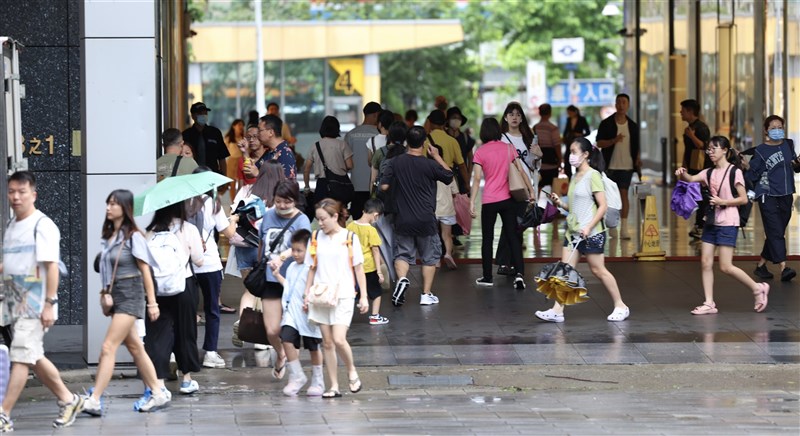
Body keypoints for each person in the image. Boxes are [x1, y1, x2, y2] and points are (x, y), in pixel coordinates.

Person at [0, 171, 85, 430]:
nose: (16, 197)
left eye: (21, 192)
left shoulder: (43, 225)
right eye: (12, 191)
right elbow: (12, 262)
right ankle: (69, 400)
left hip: (35, 303)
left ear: (33, 194)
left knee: (22, 356)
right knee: (32, 356)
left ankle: (3, 414)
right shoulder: (12, 225)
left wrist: (50, 303)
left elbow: (52, 267)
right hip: (13, 300)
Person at [80, 189, 170, 416]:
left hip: (131, 293)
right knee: (136, 348)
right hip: (117, 294)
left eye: (113, 204)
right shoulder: (111, 236)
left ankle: (95, 399)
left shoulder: (134, 236)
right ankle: (158, 393)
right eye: (107, 203)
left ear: (125, 208)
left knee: (108, 346)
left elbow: (145, 271)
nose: (108, 208)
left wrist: (152, 303)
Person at [535, 138, 630, 323]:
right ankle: (557, 310)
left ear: (586, 154)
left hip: (592, 233)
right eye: (570, 152)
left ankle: (621, 305)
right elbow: (575, 206)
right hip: (573, 233)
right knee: (564, 270)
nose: (571, 156)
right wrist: (560, 203)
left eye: (574, 152)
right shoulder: (575, 176)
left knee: (598, 270)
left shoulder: (593, 175)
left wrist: (588, 226)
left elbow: (602, 206)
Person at [675, 136, 770, 314]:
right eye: (709, 149)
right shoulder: (708, 172)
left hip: (728, 221)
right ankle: (709, 303)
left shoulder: (735, 172)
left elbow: (743, 199)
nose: (710, 152)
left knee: (726, 266)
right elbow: (692, 178)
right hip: (711, 221)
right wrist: (682, 173)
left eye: (714, 149)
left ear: (725, 150)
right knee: (705, 262)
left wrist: (723, 201)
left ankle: (758, 288)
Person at [231, 180, 311, 378]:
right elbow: (262, 244)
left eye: (287, 202)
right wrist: (261, 265)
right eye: (278, 201)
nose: (282, 206)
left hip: (294, 280)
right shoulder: (268, 216)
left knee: (292, 328)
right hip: (269, 279)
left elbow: (306, 251)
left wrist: (283, 257)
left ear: (295, 201)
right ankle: (281, 353)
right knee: (271, 329)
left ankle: (294, 373)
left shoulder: (302, 221)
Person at [380, 126, 454, 306]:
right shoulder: (430, 164)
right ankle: (426, 294)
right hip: (426, 219)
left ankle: (403, 280)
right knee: (429, 256)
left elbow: (383, 187)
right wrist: (436, 156)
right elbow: (449, 176)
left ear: (406, 142)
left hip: (402, 218)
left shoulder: (395, 162)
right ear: (424, 143)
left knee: (402, 254)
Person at [304, 199, 369, 398]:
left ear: (335, 216)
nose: (320, 223)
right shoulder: (315, 237)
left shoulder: (349, 237)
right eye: (318, 220)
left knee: (339, 339)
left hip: (344, 295)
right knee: (327, 343)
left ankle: (351, 370)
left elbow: (359, 268)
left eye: (323, 219)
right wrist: (306, 295)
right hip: (321, 295)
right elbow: (311, 268)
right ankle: (333, 386)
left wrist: (364, 297)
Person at [144, 202, 205, 395]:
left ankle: (159, 383)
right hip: (183, 285)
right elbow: (199, 260)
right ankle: (186, 380)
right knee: (185, 332)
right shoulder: (189, 229)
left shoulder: (149, 233)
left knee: (157, 335)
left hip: (156, 289)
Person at [470, 118, 535, 290]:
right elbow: (521, 171)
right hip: (507, 200)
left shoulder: (480, 151)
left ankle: (487, 277)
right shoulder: (508, 148)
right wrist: (531, 191)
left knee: (487, 239)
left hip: (489, 201)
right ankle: (520, 274)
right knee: (513, 237)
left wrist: (471, 202)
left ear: (483, 132)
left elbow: (477, 179)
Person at [185, 168, 238, 368]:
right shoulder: (212, 204)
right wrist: (233, 219)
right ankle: (210, 353)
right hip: (209, 264)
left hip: (187, 264)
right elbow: (229, 233)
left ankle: (184, 352)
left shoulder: (182, 203)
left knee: (186, 310)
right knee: (212, 309)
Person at [230, 160, 286, 349]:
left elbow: (233, 214)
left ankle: (241, 322)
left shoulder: (246, 191)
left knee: (250, 289)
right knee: (265, 291)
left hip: (243, 246)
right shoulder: (279, 197)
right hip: (264, 248)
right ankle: (261, 339)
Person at [270, 229, 324, 396]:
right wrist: (277, 275)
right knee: (286, 339)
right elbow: (290, 286)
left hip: (309, 314)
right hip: (292, 312)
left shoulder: (312, 267)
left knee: (313, 348)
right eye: (293, 250)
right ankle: (297, 375)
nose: (295, 254)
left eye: (299, 250)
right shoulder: (292, 266)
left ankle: (318, 379)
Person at [746, 115, 799, 282]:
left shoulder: (788, 145)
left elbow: (795, 168)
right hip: (767, 194)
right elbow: (752, 173)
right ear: (766, 130)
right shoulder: (760, 151)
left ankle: (761, 265)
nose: (777, 130)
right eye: (773, 128)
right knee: (775, 231)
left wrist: (798, 161)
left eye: (780, 127)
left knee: (776, 230)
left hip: (786, 193)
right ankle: (784, 267)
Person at [497, 102, 542, 277]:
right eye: (511, 114)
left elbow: (533, 165)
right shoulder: (501, 138)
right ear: (506, 117)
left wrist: (538, 155)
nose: (514, 117)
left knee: (518, 224)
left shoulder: (527, 138)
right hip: (507, 186)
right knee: (512, 223)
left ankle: (510, 262)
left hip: (524, 186)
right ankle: (507, 262)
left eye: (517, 114)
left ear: (521, 118)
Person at [427, 110, 469, 270]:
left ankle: (436, 258)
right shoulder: (452, 141)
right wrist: (466, 183)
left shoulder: (424, 141)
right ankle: (449, 253)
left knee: (433, 234)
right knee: (447, 234)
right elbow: (461, 164)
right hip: (447, 202)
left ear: (429, 122)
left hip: (431, 206)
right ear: (444, 123)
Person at [596, 93, 640, 240]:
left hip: (626, 166)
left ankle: (625, 228)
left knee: (623, 195)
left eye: (624, 102)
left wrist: (637, 160)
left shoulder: (633, 126)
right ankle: (613, 226)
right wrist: (614, 140)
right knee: (609, 198)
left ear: (628, 105)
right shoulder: (606, 124)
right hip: (610, 167)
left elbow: (636, 146)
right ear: (615, 105)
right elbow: (599, 143)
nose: (621, 105)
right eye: (619, 102)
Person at [347, 199, 389, 325]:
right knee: (376, 292)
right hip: (369, 267)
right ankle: (375, 316)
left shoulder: (350, 226)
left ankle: (345, 317)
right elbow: (375, 251)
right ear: (376, 215)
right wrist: (379, 271)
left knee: (351, 293)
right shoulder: (371, 230)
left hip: (353, 266)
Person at [303, 115, 354, 206]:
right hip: (340, 184)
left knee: (323, 213)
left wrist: (307, 187)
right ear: (337, 129)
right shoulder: (342, 144)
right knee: (339, 212)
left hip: (322, 185)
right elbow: (350, 165)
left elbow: (306, 169)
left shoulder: (315, 146)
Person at [679, 99, 712, 239]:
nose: (681, 112)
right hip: (692, 167)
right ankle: (700, 225)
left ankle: (701, 225)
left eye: (683, 110)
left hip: (702, 168)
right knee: (696, 196)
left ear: (691, 111)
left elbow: (703, 146)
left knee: (701, 197)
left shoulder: (701, 128)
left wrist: (691, 135)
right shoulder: (689, 127)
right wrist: (683, 167)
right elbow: (688, 149)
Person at [344, 101, 381, 219]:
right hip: (375, 187)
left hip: (356, 185)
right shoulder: (379, 135)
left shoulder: (351, 134)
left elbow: (345, 161)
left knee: (358, 220)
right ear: (376, 115)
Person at [182, 102, 230, 177]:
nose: (203, 116)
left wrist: (224, 177)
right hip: (192, 176)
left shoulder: (215, 133)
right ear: (193, 116)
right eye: (200, 113)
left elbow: (222, 158)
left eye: (205, 113)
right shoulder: (186, 135)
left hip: (213, 176)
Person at [257, 114, 297, 181]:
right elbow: (254, 169)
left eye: (259, 130)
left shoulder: (285, 154)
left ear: (271, 132)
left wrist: (257, 174)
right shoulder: (270, 151)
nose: (257, 134)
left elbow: (286, 186)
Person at [446, 106, 475, 194]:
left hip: (463, 180)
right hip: (446, 179)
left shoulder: (466, 139)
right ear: (448, 120)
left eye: (458, 118)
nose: (456, 120)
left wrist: (468, 177)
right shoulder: (443, 137)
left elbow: (471, 159)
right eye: (453, 118)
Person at [533, 103, 563, 190]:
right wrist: (560, 160)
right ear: (550, 113)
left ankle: (535, 203)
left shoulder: (535, 128)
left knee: (538, 186)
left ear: (539, 113)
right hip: (551, 162)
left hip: (539, 163)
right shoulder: (553, 128)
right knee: (554, 187)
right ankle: (553, 204)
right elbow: (557, 145)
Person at [367, 111, 395, 192]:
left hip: (379, 183)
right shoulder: (398, 140)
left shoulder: (372, 141)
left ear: (379, 124)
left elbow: (369, 162)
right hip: (395, 182)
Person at [562, 105, 591, 179]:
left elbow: (587, 131)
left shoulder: (582, 119)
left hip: (578, 141)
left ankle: (579, 175)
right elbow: (566, 131)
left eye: (570, 112)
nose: (569, 114)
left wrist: (580, 134)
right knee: (567, 159)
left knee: (578, 158)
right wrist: (564, 138)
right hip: (570, 141)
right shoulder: (569, 119)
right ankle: (569, 176)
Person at [224, 119, 245, 200]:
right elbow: (223, 150)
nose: (241, 127)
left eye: (242, 125)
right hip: (232, 161)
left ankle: (239, 201)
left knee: (241, 183)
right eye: (239, 125)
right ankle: (233, 202)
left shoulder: (243, 137)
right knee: (232, 183)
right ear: (234, 126)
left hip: (241, 161)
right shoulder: (228, 138)